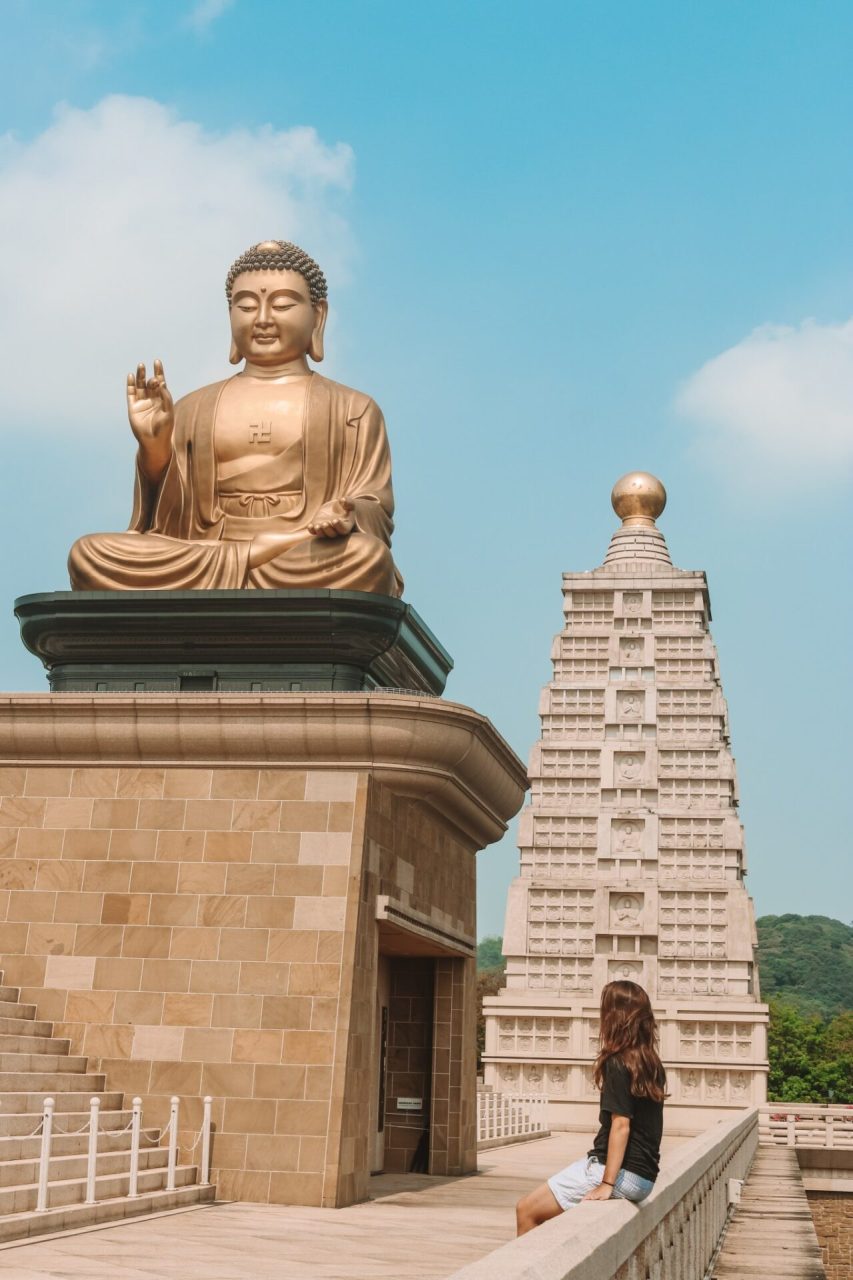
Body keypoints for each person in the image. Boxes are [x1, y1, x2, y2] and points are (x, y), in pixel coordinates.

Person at [68, 240, 402, 596]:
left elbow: (373, 506)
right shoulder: (192, 408)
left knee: (366, 558)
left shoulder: (352, 409)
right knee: (89, 554)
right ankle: (254, 559)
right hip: (205, 551)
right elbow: (165, 526)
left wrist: (347, 514)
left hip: (302, 554)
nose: (261, 319)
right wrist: (155, 447)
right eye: (245, 306)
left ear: (318, 315)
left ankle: (267, 554)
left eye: (283, 304)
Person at [516, 980, 666, 1235]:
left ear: (614, 1016)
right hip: (644, 1178)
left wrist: (607, 1183)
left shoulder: (618, 1063)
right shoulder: (651, 1063)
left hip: (620, 1175)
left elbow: (621, 1125)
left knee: (526, 1210)